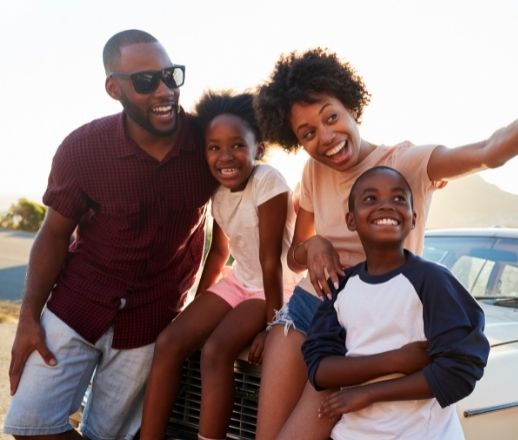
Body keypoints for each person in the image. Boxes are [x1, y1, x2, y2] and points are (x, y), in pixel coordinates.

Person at [254, 39, 518, 439]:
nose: (325, 137)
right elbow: (294, 256)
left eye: (331, 118)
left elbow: (489, 151)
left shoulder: (405, 163)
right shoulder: (313, 171)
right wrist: (313, 245)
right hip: (306, 311)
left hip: (362, 331)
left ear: (350, 105)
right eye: (307, 133)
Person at [4, 29, 217, 439]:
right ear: (113, 87)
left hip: (151, 316)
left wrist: (198, 308)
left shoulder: (207, 143)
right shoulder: (83, 149)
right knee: (30, 425)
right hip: (76, 303)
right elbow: (52, 235)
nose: (164, 91)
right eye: (145, 81)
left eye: (170, 76)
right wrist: (29, 317)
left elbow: (224, 227)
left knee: (108, 434)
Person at [140, 91, 300, 439]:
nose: (225, 156)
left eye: (237, 146)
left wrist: (273, 327)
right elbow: (218, 252)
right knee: (169, 342)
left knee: (215, 351)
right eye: (214, 147)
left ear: (257, 148)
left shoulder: (268, 181)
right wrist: (198, 306)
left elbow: (270, 260)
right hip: (238, 280)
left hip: (273, 288)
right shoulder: (217, 190)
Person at [302, 166, 489, 439]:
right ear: (351, 220)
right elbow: (319, 369)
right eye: (370, 199)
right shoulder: (342, 287)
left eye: (399, 198)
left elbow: (460, 370)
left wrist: (368, 393)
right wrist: (395, 360)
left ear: (413, 218)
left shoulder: (432, 280)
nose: (386, 206)